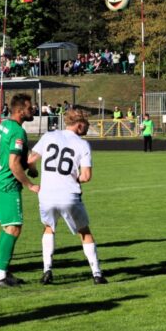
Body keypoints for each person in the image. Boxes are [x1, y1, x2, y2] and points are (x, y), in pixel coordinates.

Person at [28, 109, 108, 285]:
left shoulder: (49, 136)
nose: (88, 127)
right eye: (87, 124)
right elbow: (86, 176)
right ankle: (97, 274)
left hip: (46, 194)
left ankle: (47, 270)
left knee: (49, 228)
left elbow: (30, 159)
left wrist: (33, 171)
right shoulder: (82, 144)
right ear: (79, 124)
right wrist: (74, 178)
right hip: (69, 194)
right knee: (84, 232)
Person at [0, 93, 39, 287]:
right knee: (14, 228)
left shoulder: (2, 126)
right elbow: (13, 163)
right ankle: (0, 276)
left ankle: (3, 271)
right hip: (7, 184)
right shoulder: (18, 131)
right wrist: (30, 184)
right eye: (29, 108)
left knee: (8, 228)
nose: (32, 110)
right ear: (20, 111)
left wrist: (29, 165)